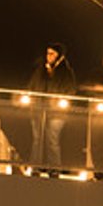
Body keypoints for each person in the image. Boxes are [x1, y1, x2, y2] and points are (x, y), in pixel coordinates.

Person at [25, 43, 77, 173]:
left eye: (52, 53)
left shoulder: (66, 72)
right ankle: (35, 167)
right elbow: (32, 86)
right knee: (37, 140)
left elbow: (70, 91)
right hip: (38, 110)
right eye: (48, 53)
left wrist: (59, 101)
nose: (49, 56)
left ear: (59, 56)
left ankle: (54, 169)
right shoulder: (40, 70)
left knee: (52, 139)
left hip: (56, 113)